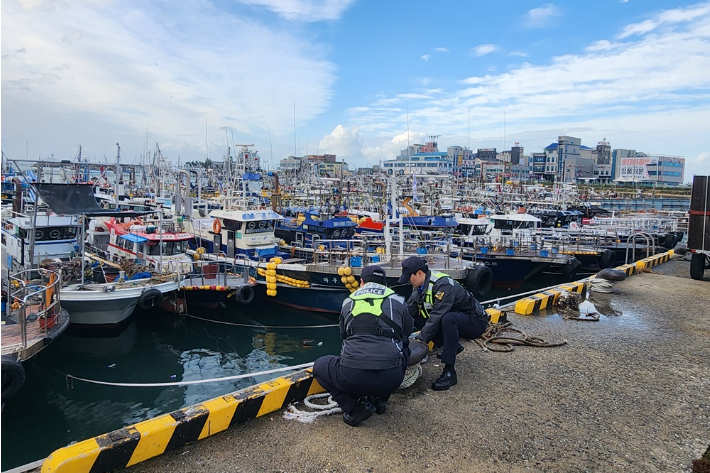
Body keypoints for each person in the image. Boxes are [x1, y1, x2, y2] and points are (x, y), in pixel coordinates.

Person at [313, 265, 413, 427]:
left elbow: (343, 335)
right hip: (390, 378)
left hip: (352, 378)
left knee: (320, 366)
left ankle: (355, 407)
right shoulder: (398, 300)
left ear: (361, 282)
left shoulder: (348, 302)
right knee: (404, 346)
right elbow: (406, 331)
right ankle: (381, 401)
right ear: (385, 284)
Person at [398, 256, 488, 391]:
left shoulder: (443, 285)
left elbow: (437, 316)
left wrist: (420, 340)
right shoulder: (419, 287)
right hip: (455, 320)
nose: (408, 282)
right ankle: (452, 346)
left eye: (409, 278)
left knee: (448, 319)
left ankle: (450, 372)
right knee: (418, 317)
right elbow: (408, 310)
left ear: (419, 273)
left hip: (475, 322)